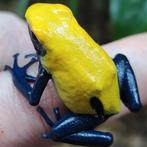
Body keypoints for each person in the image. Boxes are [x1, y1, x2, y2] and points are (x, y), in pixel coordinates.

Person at [0, 12, 146, 147]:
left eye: (35, 36)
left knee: (55, 133)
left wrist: (16, 75)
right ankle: (133, 103)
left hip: (94, 113)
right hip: (109, 88)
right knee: (120, 59)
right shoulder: (63, 47)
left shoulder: (47, 65)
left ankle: (60, 134)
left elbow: (33, 98)